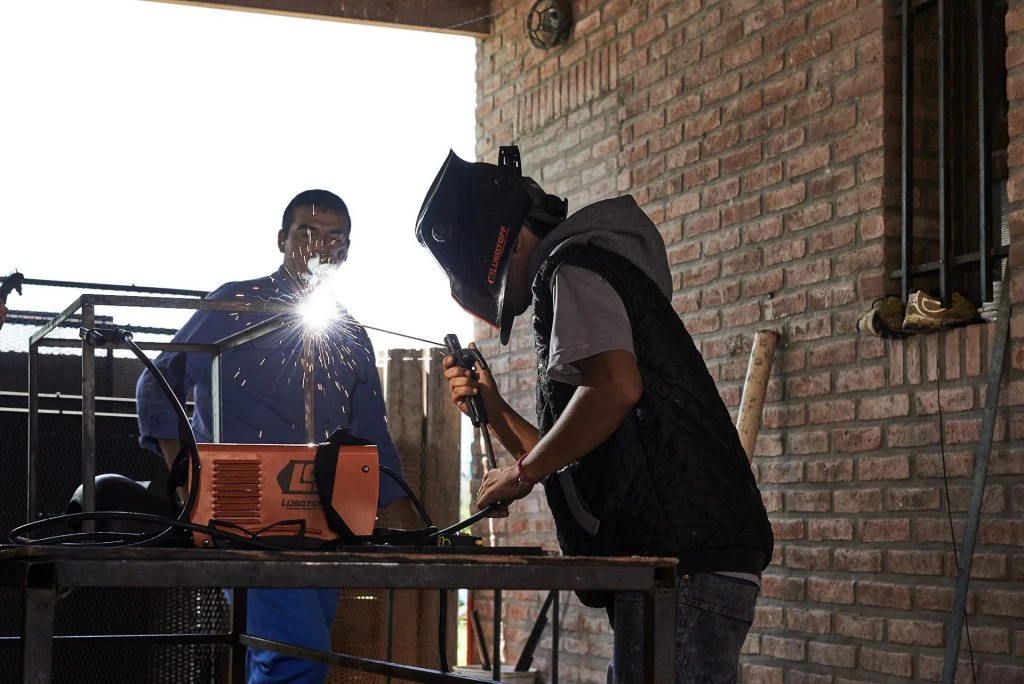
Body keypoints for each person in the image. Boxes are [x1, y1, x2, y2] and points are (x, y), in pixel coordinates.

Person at [416, 148, 774, 682]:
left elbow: (615, 389)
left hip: (682, 566)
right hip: (682, 563)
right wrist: (494, 410)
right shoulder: (590, 268)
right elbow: (578, 448)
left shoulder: (573, 269)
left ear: (508, 246)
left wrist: (522, 472)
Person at [136, 189, 418, 684]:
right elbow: (155, 386)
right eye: (307, 232)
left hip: (324, 522)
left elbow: (372, 435)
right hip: (241, 519)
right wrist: (186, 484)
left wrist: (414, 527)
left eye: (335, 238)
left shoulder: (347, 333)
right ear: (282, 238)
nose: (319, 246)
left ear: (347, 251)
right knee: (298, 657)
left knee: (280, 656)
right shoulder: (232, 305)